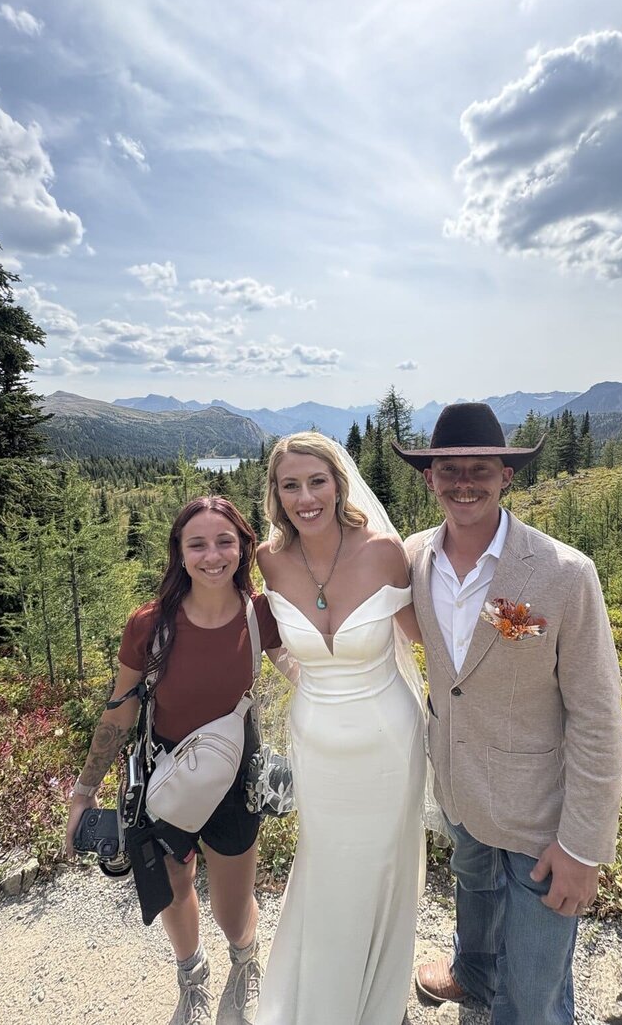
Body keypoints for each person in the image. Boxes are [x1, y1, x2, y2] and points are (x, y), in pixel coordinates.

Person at [393, 403, 622, 1025]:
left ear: (507, 476)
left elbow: (598, 718)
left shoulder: (565, 574)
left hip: (539, 814)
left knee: (533, 990)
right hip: (461, 788)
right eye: (450, 469)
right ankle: (471, 974)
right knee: (474, 893)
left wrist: (582, 847)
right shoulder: (413, 560)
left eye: (481, 468)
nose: (464, 480)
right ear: (429, 479)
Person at [65, 496, 285, 1025]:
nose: (213, 555)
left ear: (244, 548)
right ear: (180, 554)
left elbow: (306, 673)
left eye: (225, 541)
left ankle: (243, 958)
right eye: (198, 544)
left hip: (236, 782)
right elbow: (119, 714)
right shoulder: (150, 625)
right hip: (163, 780)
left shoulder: (262, 616)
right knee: (173, 888)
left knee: (233, 912)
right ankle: (192, 979)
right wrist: (83, 793)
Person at [254, 432, 426, 1025]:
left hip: (386, 740)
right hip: (316, 742)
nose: (306, 497)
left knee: (381, 866)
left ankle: (378, 999)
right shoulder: (269, 559)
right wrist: (304, 678)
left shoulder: (382, 550)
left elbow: (424, 635)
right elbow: (272, 635)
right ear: (276, 493)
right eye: (291, 485)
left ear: (338, 483)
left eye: (316, 481)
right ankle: (320, 999)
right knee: (326, 866)